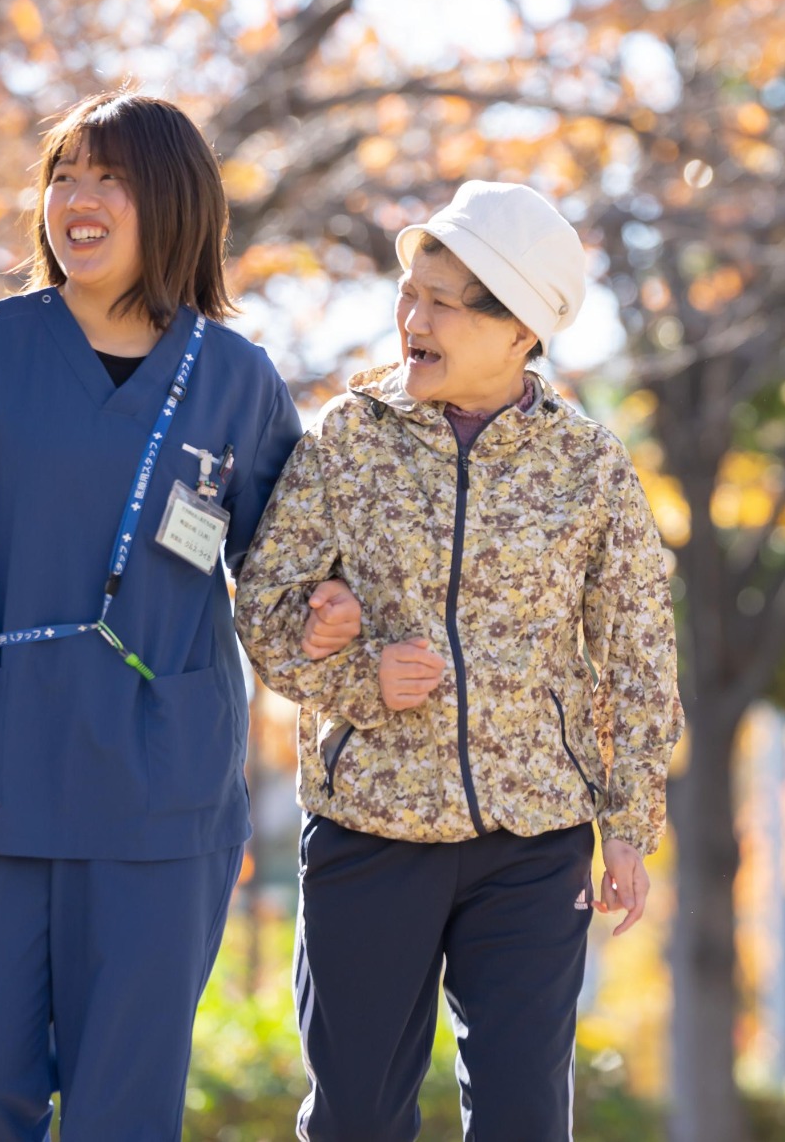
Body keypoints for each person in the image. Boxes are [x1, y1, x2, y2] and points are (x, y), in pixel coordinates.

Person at [0, 90, 302, 1140]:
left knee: (122, 1113)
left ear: (170, 200)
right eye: (62, 176)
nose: (78, 201)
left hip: (156, 801)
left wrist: (336, 609)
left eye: (111, 178)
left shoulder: (237, 381)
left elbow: (283, 576)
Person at [234, 180, 684, 1142]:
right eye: (411, 291)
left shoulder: (588, 466)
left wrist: (631, 821)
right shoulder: (347, 439)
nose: (413, 317)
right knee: (355, 1116)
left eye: (443, 301)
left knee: (525, 1118)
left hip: (533, 840)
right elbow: (262, 608)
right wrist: (354, 667)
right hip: (370, 828)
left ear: (522, 329)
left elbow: (640, 647)